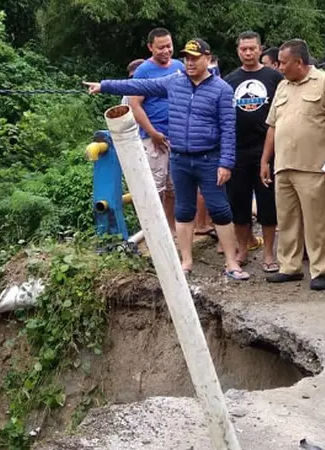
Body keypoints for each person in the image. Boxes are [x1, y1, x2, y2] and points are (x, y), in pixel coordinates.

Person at [84, 39, 251, 281]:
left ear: (207, 58)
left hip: (208, 159)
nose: (190, 62)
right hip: (180, 159)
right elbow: (143, 85)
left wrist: (226, 162)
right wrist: (105, 85)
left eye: (195, 57)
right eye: (187, 58)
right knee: (184, 210)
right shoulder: (175, 81)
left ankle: (231, 262)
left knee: (220, 210)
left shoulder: (221, 90)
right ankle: (185, 261)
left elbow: (228, 129)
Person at [260, 39, 325, 290]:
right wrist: (265, 160)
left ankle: (319, 270)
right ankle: (290, 267)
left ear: (299, 62)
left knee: (317, 222)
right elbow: (273, 125)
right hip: (283, 165)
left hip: (313, 166)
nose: (279, 67)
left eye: (283, 63)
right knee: (287, 220)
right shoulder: (282, 86)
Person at [224, 31, 283, 272]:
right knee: (239, 203)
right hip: (238, 151)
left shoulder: (274, 77)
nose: (248, 53)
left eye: (252, 48)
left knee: (268, 205)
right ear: (238, 51)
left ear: (260, 49)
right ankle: (243, 249)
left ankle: (269, 254)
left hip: (267, 150)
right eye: (243, 49)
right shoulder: (230, 81)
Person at [128, 28, 185, 234]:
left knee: (174, 188)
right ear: (150, 47)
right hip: (154, 139)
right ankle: (154, 231)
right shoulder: (144, 71)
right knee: (155, 188)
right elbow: (135, 105)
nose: (166, 51)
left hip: (177, 137)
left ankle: (170, 228)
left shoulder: (179, 66)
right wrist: (152, 132)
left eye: (169, 46)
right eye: (161, 47)